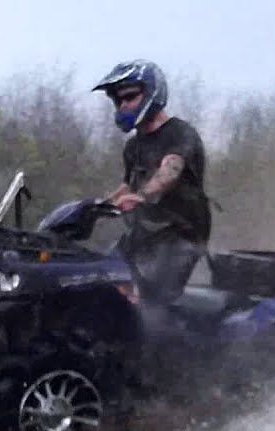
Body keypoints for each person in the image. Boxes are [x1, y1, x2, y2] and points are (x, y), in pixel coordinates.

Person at [92, 59, 212, 305]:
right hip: (145, 231)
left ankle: (168, 342)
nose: (123, 105)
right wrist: (96, 207)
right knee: (101, 278)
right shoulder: (134, 145)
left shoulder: (180, 133)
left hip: (181, 234)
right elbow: (129, 186)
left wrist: (142, 197)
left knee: (155, 303)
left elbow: (170, 170)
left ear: (151, 92)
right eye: (118, 100)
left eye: (130, 97)